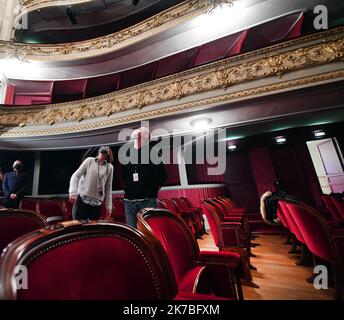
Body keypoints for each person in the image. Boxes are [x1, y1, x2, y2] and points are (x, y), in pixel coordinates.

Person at [122, 127, 167, 228]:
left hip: (148, 200)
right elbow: (124, 175)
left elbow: (162, 176)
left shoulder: (153, 152)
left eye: (141, 131)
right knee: (133, 232)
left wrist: (151, 191)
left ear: (146, 137)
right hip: (129, 201)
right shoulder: (127, 153)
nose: (138, 131)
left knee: (151, 231)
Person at [69, 146, 114, 220]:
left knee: (91, 230)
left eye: (104, 154)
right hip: (82, 201)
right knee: (78, 228)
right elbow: (76, 176)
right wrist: (73, 192)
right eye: (101, 153)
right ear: (98, 152)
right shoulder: (89, 161)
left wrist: (109, 206)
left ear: (108, 155)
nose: (102, 155)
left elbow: (108, 188)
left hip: (96, 204)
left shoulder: (110, 167)